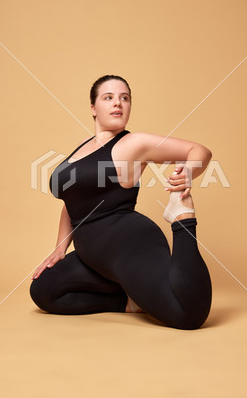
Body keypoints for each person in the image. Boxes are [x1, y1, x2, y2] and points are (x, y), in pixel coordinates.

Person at [30, 74, 212, 330]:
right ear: (93, 108)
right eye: (109, 97)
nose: (118, 103)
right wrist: (61, 247)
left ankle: (183, 218)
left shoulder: (133, 143)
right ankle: (129, 301)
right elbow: (72, 201)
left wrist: (187, 176)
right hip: (93, 257)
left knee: (186, 315)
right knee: (44, 290)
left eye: (124, 98)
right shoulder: (83, 148)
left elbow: (200, 151)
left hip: (129, 246)